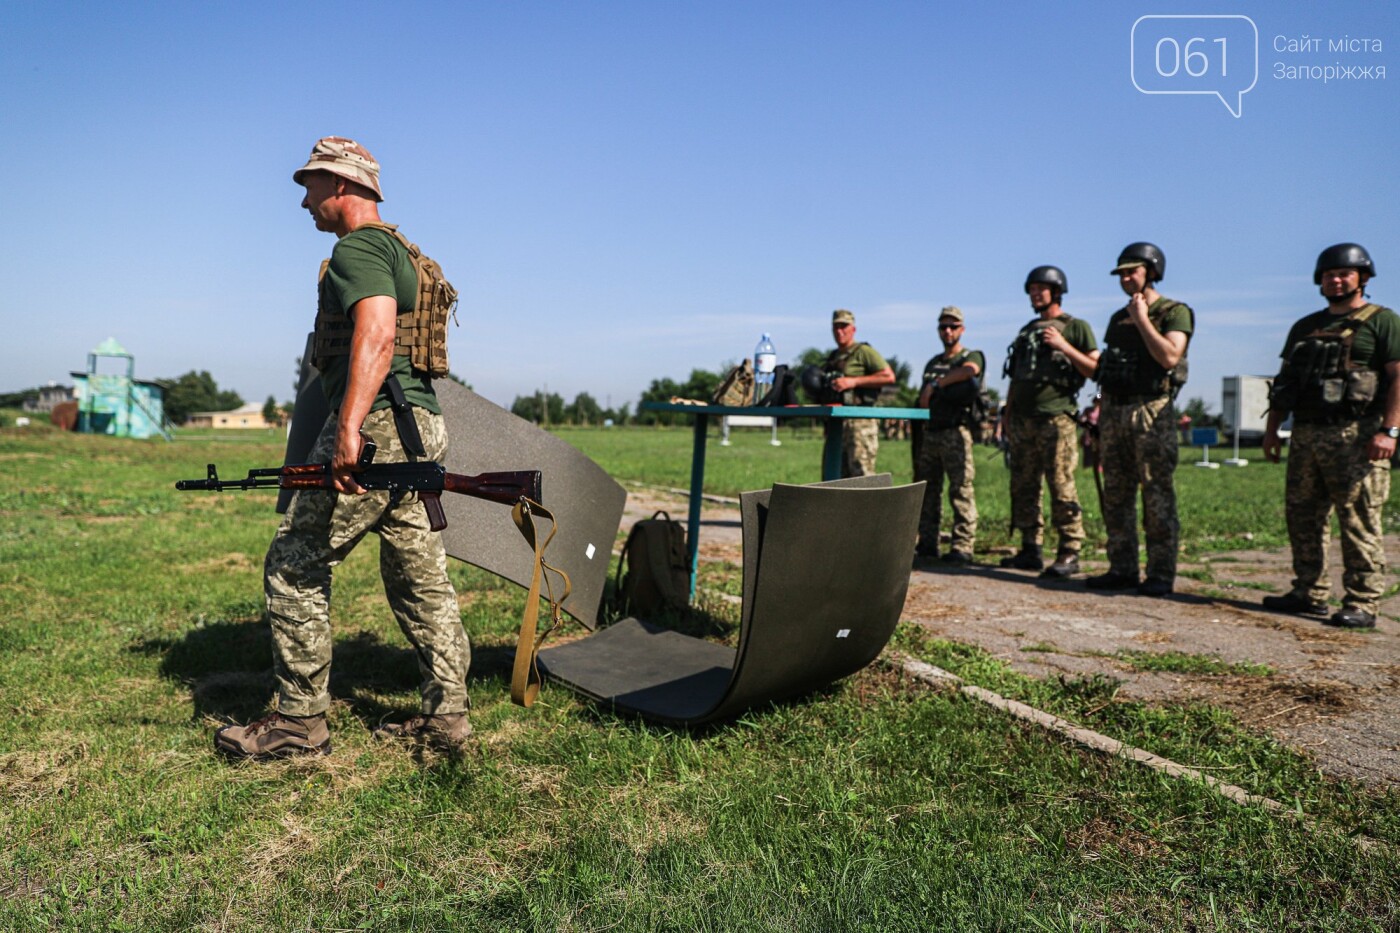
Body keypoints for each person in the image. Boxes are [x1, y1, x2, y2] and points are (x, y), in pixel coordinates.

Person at [215, 137, 472, 759]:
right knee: (419, 577)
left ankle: (299, 723)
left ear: (339, 184)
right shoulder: (406, 251)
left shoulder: (359, 247)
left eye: (308, 185)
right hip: (420, 423)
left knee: (296, 564)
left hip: (380, 422)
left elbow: (378, 331)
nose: (303, 201)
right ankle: (449, 717)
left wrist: (351, 427)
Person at [1261, 243, 1400, 629]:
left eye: (1343, 274)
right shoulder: (1304, 327)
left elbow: (1397, 378)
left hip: (1357, 434)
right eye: (1328, 275)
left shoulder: (1382, 321)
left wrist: (1390, 430)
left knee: (1358, 518)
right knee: (1303, 516)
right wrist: (1273, 430)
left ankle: (1363, 600)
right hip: (1305, 434)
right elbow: (1286, 384)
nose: (1335, 280)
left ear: (1363, 278)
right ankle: (1309, 591)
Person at [1087, 243, 1193, 597]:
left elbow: (1169, 356)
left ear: (1151, 271)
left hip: (1151, 409)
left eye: (1132, 271)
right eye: (1121, 274)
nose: (1126, 278)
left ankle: (1161, 573)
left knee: (1156, 492)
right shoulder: (1118, 319)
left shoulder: (1174, 312)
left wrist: (1144, 318)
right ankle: (1122, 568)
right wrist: (1098, 408)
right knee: (1116, 493)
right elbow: (1108, 368)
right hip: (1115, 411)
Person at [1000, 266, 1099, 577]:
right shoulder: (1026, 331)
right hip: (1023, 420)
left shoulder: (1075, 327)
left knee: (1060, 485)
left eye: (1041, 288)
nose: (1035, 293)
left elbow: (1095, 368)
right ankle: (1031, 548)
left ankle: (1070, 549)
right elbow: (1016, 377)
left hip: (1057, 419)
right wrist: (1006, 414)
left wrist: (1063, 346)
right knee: (1024, 485)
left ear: (1057, 291)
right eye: (1031, 288)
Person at [914, 306, 984, 564]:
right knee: (928, 491)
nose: (948, 331)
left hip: (957, 431)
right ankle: (928, 542)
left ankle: (963, 545)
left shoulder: (970, 356)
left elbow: (970, 372)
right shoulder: (934, 363)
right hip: (931, 432)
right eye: (943, 326)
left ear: (962, 329)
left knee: (961, 489)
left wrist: (936, 385)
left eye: (953, 326)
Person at [824, 309, 896, 476]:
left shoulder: (863, 351)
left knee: (861, 477)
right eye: (836, 327)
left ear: (853, 329)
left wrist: (853, 381)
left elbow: (888, 376)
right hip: (837, 422)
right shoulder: (833, 356)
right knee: (833, 479)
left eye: (844, 326)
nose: (839, 331)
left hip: (861, 421)